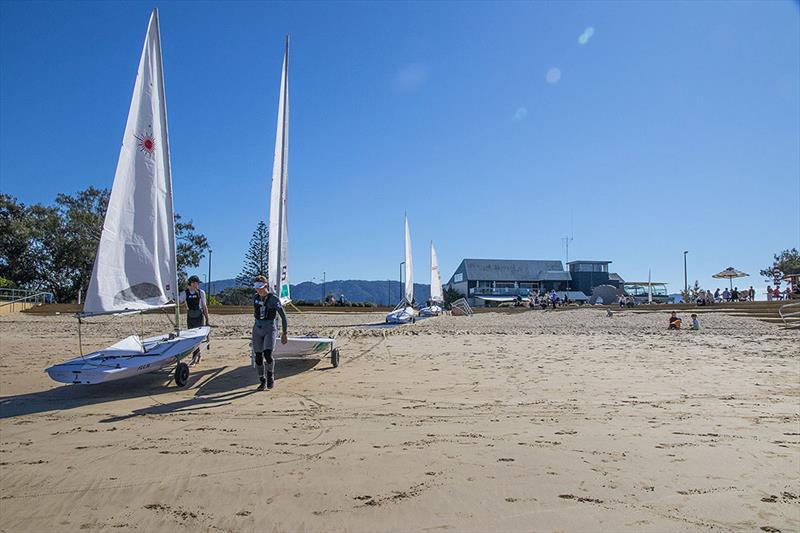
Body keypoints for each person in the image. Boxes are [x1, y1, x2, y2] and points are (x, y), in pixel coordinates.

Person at [252, 275, 288, 391]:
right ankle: (262, 380)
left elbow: (283, 316)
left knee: (267, 354)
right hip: (257, 329)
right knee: (258, 357)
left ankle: (270, 375)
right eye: (257, 287)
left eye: (260, 287)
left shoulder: (273, 299)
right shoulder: (255, 297)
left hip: (270, 328)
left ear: (266, 286)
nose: (258, 290)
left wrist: (284, 332)